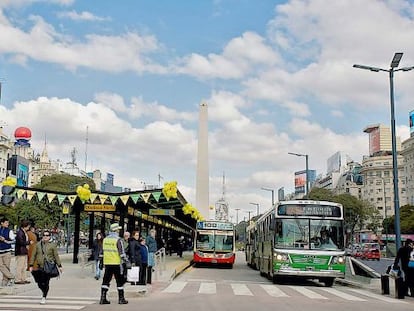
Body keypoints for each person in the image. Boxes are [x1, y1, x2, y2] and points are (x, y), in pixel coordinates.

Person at [29, 230, 63, 305]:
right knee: (39, 283)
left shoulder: (52, 245)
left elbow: (56, 256)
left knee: (46, 282)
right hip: (39, 266)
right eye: (44, 235)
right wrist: (31, 265)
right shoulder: (37, 245)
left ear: (49, 237)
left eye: (47, 235)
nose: (45, 236)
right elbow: (33, 255)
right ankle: (43, 290)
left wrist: (59, 266)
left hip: (48, 267)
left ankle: (44, 296)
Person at [99, 223, 128, 305]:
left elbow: (102, 252)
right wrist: (126, 261)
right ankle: (121, 299)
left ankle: (103, 298)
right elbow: (121, 253)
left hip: (107, 263)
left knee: (106, 280)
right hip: (116, 263)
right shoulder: (118, 240)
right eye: (118, 229)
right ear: (116, 230)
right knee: (120, 281)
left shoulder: (105, 239)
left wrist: (101, 261)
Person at [14, 220, 34, 284]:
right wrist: (29, 242)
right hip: (20, 251)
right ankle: (18, 279)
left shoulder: (23, 232)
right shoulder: (20, 232)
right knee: (20, 266)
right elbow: (21, 242)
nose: (28, 228)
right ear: (25, 226)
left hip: (24, 251)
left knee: (24, 266)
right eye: (28, 227)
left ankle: (23, 278)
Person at [0, 217, 15, 286]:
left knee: (7, 266)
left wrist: (5, 240)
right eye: (6, 223)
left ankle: (5, 281)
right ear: (2, 223)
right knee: (1, 266)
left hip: (7, 251)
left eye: (8, 223)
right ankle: (11, 277)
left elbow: (13, 241)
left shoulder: (10, 231)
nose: (7, 224)